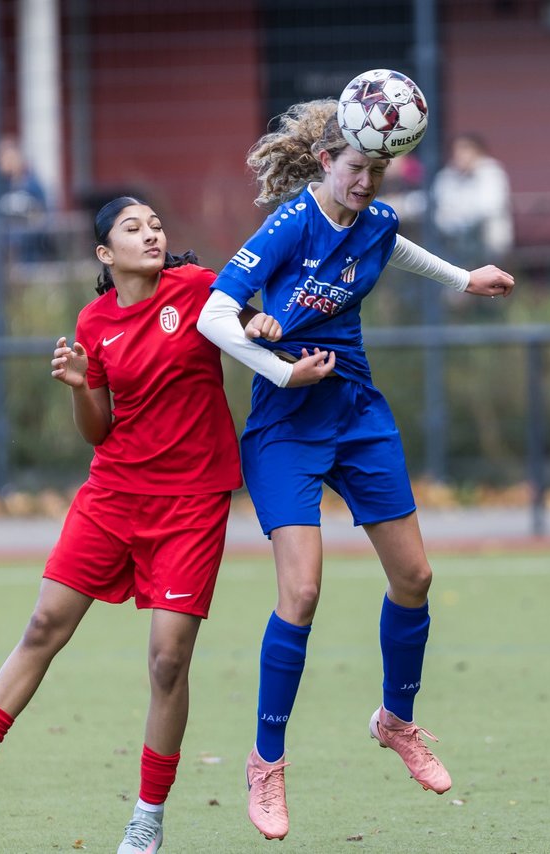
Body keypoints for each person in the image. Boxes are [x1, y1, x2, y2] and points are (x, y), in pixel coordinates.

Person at [0, 197, 283, 854]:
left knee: (168, 661)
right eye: (132, 228)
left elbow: (251, 322)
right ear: (105, 254)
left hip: (192, 501)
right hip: (113, 493)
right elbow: (97, 430)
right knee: (43, 626)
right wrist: (81, 384)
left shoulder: (196, 288)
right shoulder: (93, 320)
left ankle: (148, 816)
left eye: (157, 224)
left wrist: (266, 324)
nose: (151, 233)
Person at [196, 98, 515, 841]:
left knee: (416, 578)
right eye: (356, 169)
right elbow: (216, 315)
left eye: (378, 170)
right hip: (286, 424)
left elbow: (391, 246)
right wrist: (275, 366)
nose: (368, 182)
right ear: (324, 164)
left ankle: (395, 721)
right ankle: (266, 764)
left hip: (358, 412)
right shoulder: (287, 226)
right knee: (301, 591)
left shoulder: (375, 220)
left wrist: (465, 278)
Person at [431, 132, 514, 271]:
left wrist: (461, 218)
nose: (459, 155)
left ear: (478, 152)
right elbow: (440, 208)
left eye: (465, 149)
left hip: (488, 245)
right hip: (455, 246)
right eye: (456, 150)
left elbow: (490, 207)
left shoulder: (491, 172)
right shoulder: (447, 176)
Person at [0, 135, 53, 263]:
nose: (9, 162)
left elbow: (45, 214)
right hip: (0, 252)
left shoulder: (33, 184)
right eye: (4, 158)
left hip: (31, 251)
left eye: (12, 157)